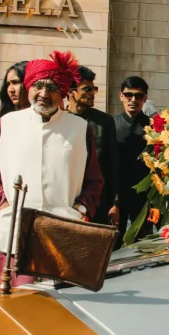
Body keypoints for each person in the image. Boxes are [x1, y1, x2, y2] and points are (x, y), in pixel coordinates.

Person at [0, 51, 103, 291]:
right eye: (38, 86)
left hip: (62, 235)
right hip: (15, 235)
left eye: (53, 87)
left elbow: (94, 179)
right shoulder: (8, 124)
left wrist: (80, 210)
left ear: (64, 92)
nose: (44, 93)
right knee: (13, 307)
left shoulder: (79, 128)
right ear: (29, 87)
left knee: (61, 311)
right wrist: (3, 208)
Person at [68, 67, 120, 226]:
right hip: (68, 200)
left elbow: (113, 164)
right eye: (87, 89)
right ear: (71, 92)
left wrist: (116, 202)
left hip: (98, 201)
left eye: (94, 89)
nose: (92, 93)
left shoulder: (104, 122)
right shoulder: (60, 121)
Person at [115, 76, 152, 242]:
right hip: (118, 196)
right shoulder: (111, 124)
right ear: (121, 96)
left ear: (145, 98)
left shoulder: (154, 127)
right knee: (113, 241)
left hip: (143, 198)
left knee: (143, 243)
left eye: (138, 96)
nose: (133, 100)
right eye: (128, 95)